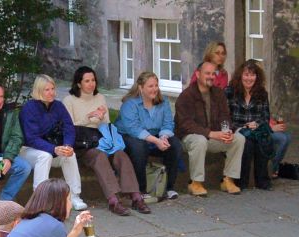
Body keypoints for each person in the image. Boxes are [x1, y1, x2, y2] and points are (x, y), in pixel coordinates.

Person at [64, 66, 150, 216]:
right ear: (78, 84)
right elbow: (70, 127)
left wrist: (102, 115)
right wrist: (89, 117)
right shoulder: (69, 100)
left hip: (102, 140)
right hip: (84, 145)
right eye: (87, 81)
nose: (91, 84)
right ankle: (113, 200)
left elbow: (106, 124)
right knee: (99, 156)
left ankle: (136, 196)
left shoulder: (100, 97)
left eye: (93, 80)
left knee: (121, 155)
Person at [175, 61, 246, 196]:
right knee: (200, 140)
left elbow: (225, 116)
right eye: (207, 73)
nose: (211, 76)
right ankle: (195, 183)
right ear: (198, 74)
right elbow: (185, 124)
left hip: (212, 136)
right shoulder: (186, 96)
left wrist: (227, 131)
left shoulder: (218, 93)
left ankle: (228, 180)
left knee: (239, 138)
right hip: (188, 138)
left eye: (214, 74)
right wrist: (211, 133)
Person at [19, 75, 87, 211]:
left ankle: (74, 196)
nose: (51, 92)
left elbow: (69, 128)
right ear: (39, 91)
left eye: (53, 88)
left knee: (69, 155)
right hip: (28, 150)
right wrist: (53, 149)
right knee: (45, 156)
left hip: (53, 147)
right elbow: (31, 138)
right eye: (47, 90)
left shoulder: (58, 106)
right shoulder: (29, 108)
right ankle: (40, 200)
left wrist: (67, 146)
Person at [116, 71, 183, 201]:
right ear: (141, 88)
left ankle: (169, 187)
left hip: (155, 135)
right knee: (139, 147)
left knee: (174, 145)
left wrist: (163, 137)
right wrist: (156, 141)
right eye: (150, 86)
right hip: (129, 136)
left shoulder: (163, 102)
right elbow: (134, 129)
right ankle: (140, 190)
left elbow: (168, 123)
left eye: (156, 85)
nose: (154, 89)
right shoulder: (130, 104)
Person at [226, 59, 283, 190]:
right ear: (240, 75)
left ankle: (262, 180)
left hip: (256, 129)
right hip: (238, 128)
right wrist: (243, 126)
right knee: (248, 142)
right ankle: (242, 181)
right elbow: (225, 116)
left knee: (261, 138)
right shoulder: (230, 92)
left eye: (252, 75)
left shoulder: (262, 93)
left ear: (257, 77)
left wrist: (256, 124)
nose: (249, 78)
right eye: (246, 75)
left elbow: (265, 116)